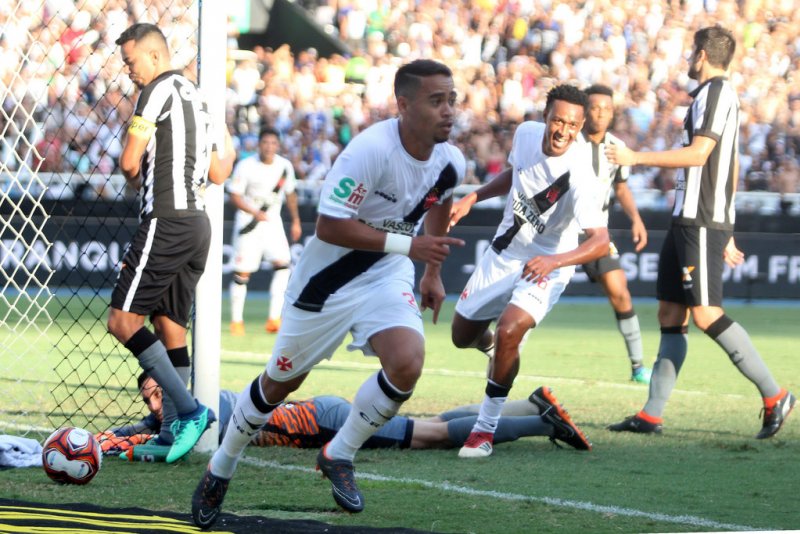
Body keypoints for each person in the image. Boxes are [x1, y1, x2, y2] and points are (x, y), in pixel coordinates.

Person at [191, 59, 467, 527]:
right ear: (403, 105)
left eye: (452, 100)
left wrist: (432, 273)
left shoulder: (450, 161)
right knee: (281, 384)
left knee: (407, 362)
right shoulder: (370, 151)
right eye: (436, 100)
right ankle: (221, 467)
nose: (448, 111)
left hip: (385, 274)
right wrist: (410, 245)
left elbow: (440, 202)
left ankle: (339, 453)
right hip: (325, 284)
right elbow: (329, 226)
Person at [605, 25, 795, 437]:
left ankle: (775, 395)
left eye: (693, 52)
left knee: (706, 313)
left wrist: (635, 157)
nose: (689, 59)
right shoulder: (710, 95)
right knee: (671, 313)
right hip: (690, 219)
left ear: (702, 55)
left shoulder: (717, 93)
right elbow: (730, 162)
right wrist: (729, 224)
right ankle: (651, 415)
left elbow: (699, 154)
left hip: (701, 219)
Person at [447, 84, 610, 459]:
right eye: (558, 121)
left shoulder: (582, 174)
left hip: (549, 263)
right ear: (545, 116)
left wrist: (554, 262)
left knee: (510, 330)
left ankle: (483, 431)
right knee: (461, 335)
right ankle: (498, 351)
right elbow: (515, 173)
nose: (563, 131)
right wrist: (474, 196)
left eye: (573, 126)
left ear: (581, 127)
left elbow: (601, 241)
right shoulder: (525, 135)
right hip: (504, 253)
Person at [106, 23, 235, 465]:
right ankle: (169, 432)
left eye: (131, 62)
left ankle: (190, 410)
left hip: (166, 219)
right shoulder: (200, 100)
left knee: (122, 321)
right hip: (197, 225)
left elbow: (129, 162)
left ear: (155, 56)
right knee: (169, 326)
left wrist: (135, 173)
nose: (129, 71)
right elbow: (219, 172)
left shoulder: (156, 89)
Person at [100, 373, 591, 455]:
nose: (155, 405)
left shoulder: (203, 412)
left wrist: (129, 442)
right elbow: (147, 428)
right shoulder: (183, 409)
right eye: (149, 399)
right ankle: (531, 404)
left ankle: (543, 423)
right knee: (436, 424)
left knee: (435, 437)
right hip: (322, 413)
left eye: (159, 394)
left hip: (326, 424)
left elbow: (165, 439)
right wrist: (110, 435)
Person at [577, 84, 651, 384]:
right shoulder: (570, 142)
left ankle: (638, 367)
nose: (600, 113)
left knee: (620, 291)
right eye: (595, 107)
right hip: (562, 232)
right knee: (535, 293)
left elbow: (621, 188)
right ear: (584, 111)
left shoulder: (617, 147)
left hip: (597, 233)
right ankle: (503, 353)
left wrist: (636, 219)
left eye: (606, 109)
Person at [228, 126, 302, 336]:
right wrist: (253, 211)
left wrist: (296, 221)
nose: (269, 147)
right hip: (248, 224)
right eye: (265, 143)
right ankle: (236, 321)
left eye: (273, 143)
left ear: (278, 145)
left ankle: (274, 318)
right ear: (258, 145)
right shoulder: (245, 166)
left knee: (283, 266)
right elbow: (234, 196)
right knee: (242, 272)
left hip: (273, 223)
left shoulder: (285, 166)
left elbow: (291, 194)